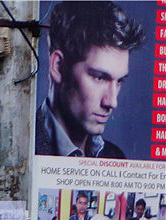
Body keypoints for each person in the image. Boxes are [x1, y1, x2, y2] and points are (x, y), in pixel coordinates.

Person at [35, 2, 145, 159]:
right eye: (99, 77)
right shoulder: (21, 146)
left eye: (119, 81)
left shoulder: (114, 157)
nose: (112, 103)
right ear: (58, 66)